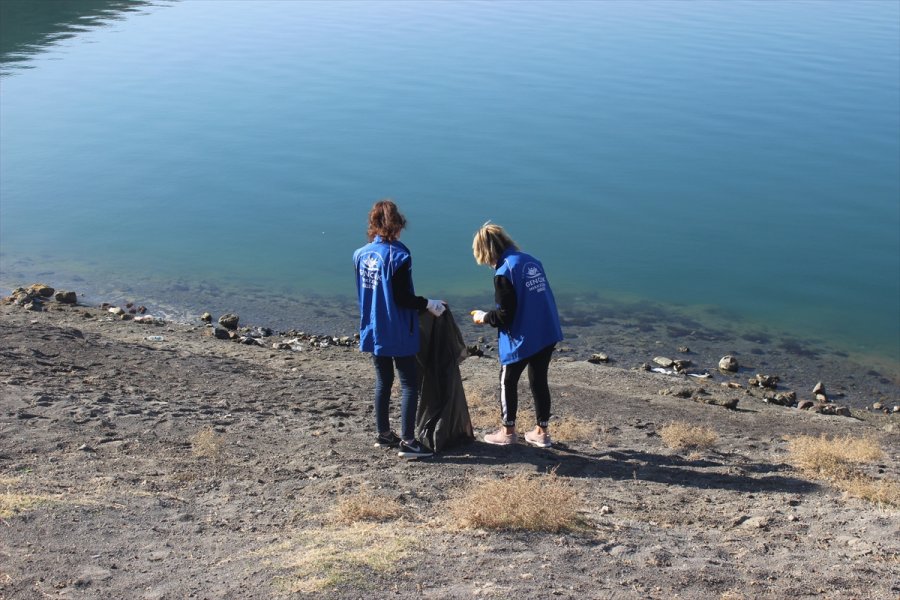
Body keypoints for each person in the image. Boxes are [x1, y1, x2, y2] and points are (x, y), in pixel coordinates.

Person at [353, 199, 445, 459]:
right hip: (398, 329)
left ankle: (383, 434)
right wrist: (429, 304)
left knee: (383, 381)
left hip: (373, 327)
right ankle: (408, 442)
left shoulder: (360, 254)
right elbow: (403, 298)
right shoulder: (399, 255)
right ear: (396, 225)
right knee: (409, 384)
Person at [470, 222, 563, 448]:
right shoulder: (531, 261)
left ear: (486, 251)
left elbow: (505, 315)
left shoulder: (504, 272)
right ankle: (542, 432)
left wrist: (484, 317)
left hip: (523, 337)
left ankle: (508, 431)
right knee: (539, 381)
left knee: (507, 381)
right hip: (547, 330)